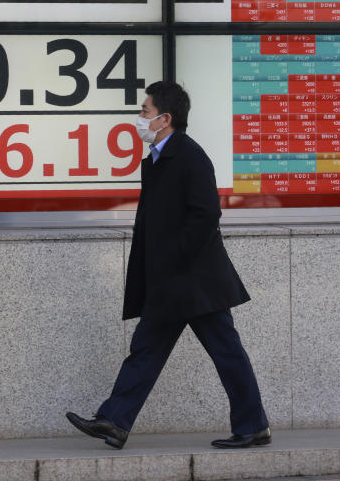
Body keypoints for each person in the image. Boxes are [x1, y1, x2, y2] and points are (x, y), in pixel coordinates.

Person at [65, 81, 270, 450]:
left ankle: (253, 426)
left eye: (145, 112)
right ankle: (114, 420)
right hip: (173, 281)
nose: (140, 119)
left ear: (165, 119)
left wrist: (174, 256)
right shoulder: (160, 159)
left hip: (195, 281)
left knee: (226, 352)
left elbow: (207, 214)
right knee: (146, 349)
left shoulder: (190, 157)